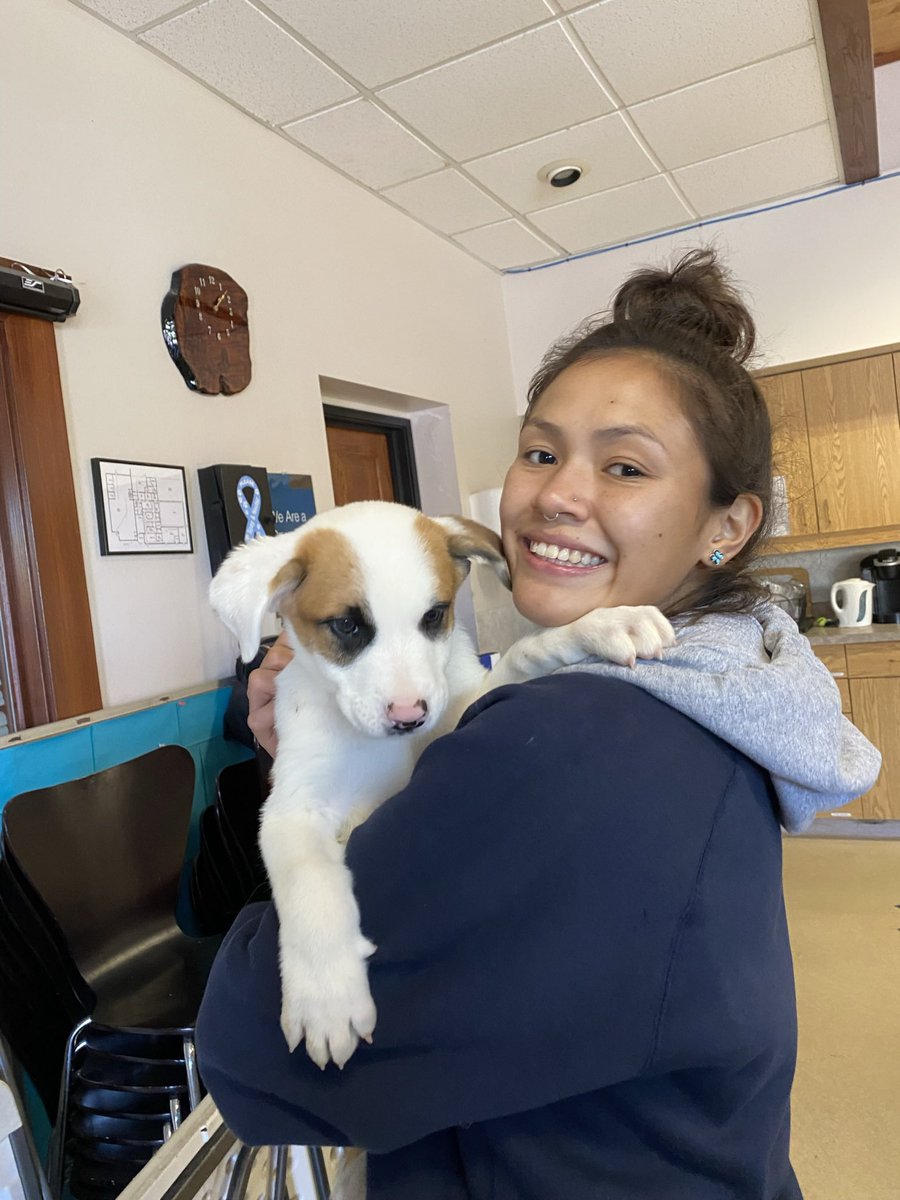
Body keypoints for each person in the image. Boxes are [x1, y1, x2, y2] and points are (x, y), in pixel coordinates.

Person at [195, 249, 879, 1200]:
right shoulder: (717, 680)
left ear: (727, 524)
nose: (558, 494)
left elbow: (258, 1055)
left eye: (627, 465)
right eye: (543, 451)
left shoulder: (568, 747)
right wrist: (322, 749)